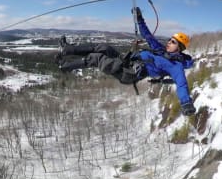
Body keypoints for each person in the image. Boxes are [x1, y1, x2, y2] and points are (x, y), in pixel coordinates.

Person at [55, 7, 196, 116]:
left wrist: (186, 103)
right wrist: (140, 19)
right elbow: (147, 35)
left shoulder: (176, 67)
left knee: (97, 58)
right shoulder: (161, 50)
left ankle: (64, 66)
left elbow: (182, 85)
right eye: (170, 40)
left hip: (129, 73)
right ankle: (66, 50)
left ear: (180, 48)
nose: (169, 43)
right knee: (103, 47)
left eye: (173, 42)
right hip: (127, 61)